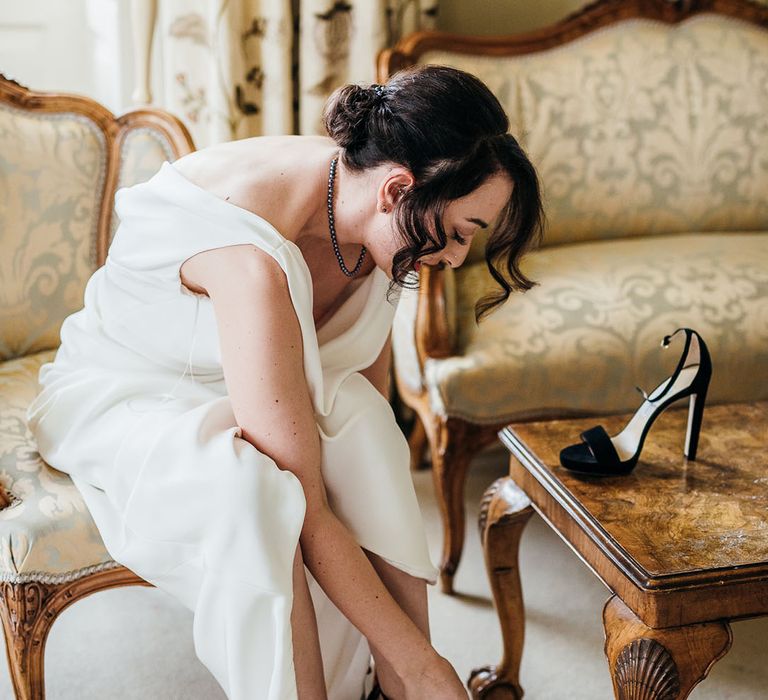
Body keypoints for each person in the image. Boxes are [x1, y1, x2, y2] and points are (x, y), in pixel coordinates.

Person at [26, 64, 543, 700]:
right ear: (398, 190)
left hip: (261, 386)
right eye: (461, 232)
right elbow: (309, 507)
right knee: (256, 491)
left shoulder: (371, 207)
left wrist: (408, 654)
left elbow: (364, 410)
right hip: (133, 392)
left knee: (366, 423)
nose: (458, 257)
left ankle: (397, 690)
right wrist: (426, 664)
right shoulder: (251, 258)